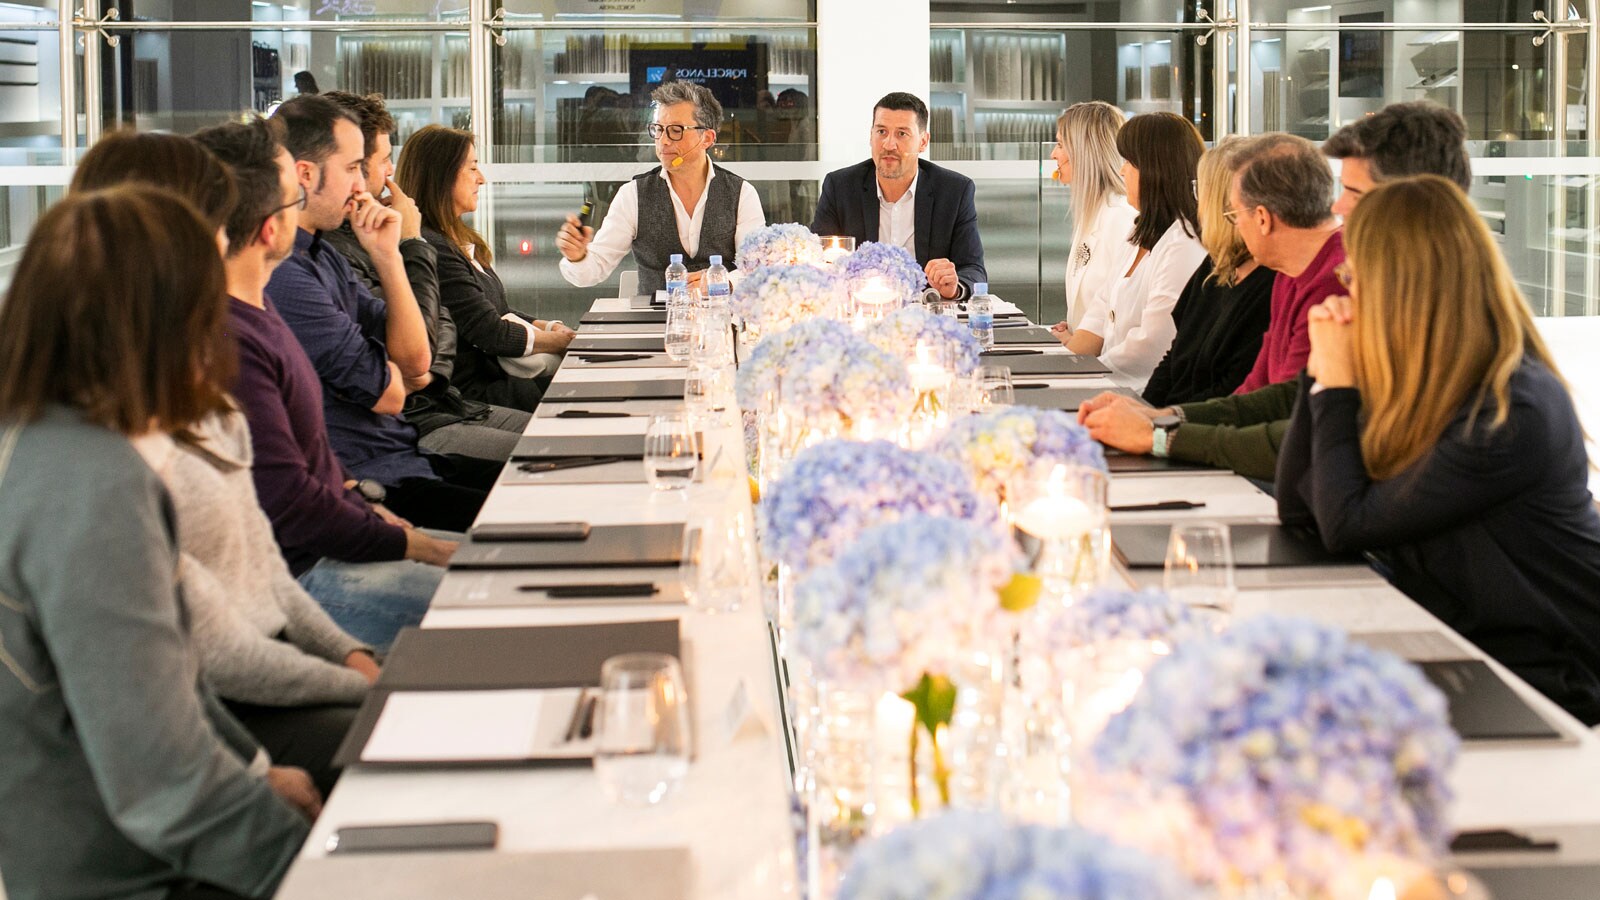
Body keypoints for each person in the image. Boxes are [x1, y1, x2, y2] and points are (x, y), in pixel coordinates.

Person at [0, 186, 313, 900]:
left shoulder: (38, 439)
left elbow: (165, 686)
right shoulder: (94, 487)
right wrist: (314, 870)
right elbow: (164, 783)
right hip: (137, 875)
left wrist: (255, 772)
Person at [69, 128, 376, 795]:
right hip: (214, 715)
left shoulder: (191, 378)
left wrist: (354, 662)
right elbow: (198, 659)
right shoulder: (102, 433)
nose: (223, 240)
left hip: (256, 668)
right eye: (208, 224)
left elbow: (259, 566)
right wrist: (364, 684)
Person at [1278, 175, 1600, 725]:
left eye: (1354, 276)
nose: (1347, 294)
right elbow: (1299, 510)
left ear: (1400, 288)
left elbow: (1347, 524)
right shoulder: (1425, 382)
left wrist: (1334, 385)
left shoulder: (1509, 410)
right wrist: (1321, 370)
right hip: (1462, 644)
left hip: (1544, 675)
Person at [1079, 103, 1472, 481]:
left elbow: (1304, 436)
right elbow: (1279, 395)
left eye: (1353, 192)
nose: (1338, 206)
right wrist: (1162, 419)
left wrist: (1161, 435)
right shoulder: (1302, 274)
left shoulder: (1364, 292)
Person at [194, 118, 452, 651]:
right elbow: (290, 500)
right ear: (271, 228)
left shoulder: (264, 305)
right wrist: (417, 546)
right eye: (292, 198)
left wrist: (366, 507)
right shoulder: (235, 333)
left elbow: (412, 365)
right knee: (503, 599)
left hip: (339, 532)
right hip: (306, 573)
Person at [266, 94, 497, 532]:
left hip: (405, 456)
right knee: (540, 511)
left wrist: (390, 257)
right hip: (375, 479)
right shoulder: (288, 273)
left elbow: (416, 362)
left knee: (552, 490)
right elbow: (393, 392)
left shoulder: (324, 255)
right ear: (306, 175)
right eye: (354, 168)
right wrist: (409, 248)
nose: (365, 185)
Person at [319, 92, 532, 455]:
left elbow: (438, 322)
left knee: (562, 438)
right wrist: (412, 242)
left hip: (441, 406)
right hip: (410, 426)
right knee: (554, 451)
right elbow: (423, 350)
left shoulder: (369, 235)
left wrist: (424, 369)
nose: (391, 172)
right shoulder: (346, 250)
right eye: (383, 160)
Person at [400, 124, 575, 412]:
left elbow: (495, 309)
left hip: (498, 379)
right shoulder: (433, 247)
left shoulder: (455, 238)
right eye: (472, 168)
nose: (481, 179)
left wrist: (549, 327)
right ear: (441, 175)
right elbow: (490, 331)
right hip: (476, 391)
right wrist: (560, 343)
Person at [557, 80, 766, 295]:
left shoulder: (741, 194)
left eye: (676, 130)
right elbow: (595, 268)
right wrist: (577, 257)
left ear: (707, 138)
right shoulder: (633, 195)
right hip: (654, 316)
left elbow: (758, 269)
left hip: (722, 313)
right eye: (658, 130)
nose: (663, 141)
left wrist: (723, 282)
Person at [1059, 112, 1207, 389]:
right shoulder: (1139, 232)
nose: (1122, 171)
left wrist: (1087, 374)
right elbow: (1101, 309)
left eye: (1129, 162)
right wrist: (1062, 366)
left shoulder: (1184, 244)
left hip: (1143, 392)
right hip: (1112, 382)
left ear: (1156, 170)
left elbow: (1152, 344)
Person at [811, 91, 987, 301]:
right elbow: (816, 260)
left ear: (923, 141)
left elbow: (973, 269)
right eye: (881, 132)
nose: (888, 145)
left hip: (925, 310)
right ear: (870, 136)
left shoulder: (954, 191)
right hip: (860, 308)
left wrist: (954, 287)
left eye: (902, 134)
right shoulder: (840, 187)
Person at [1141, 137, 1276, 408]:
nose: (1197, 203)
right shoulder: (1214, 265)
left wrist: (1161, 419)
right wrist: (1143, 408)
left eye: (1198, 189)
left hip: (1199, 423)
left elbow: (1232, 388)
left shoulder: (1270, 284)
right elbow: (1175, 356)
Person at [1047, 101, 1137, 329]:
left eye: (1060, 144)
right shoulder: (1092, 214)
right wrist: (1073, 328)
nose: (1053, 154)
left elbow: (1122, 317)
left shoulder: (1122, 219)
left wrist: (1080, 339)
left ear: (1084, 151)